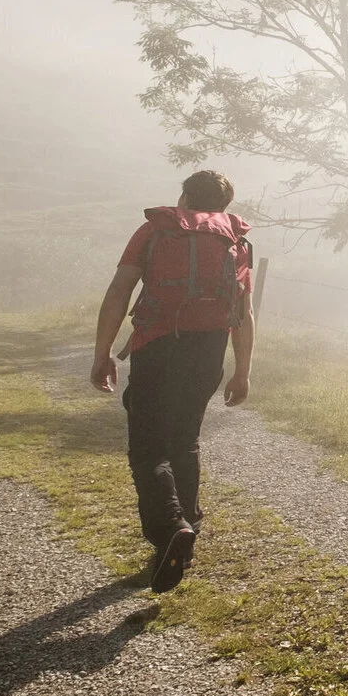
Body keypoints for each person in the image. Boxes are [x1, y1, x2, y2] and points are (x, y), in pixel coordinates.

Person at [90, 169, 254, 594]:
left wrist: (102, 352)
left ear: (183, 198)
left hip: (158, 347)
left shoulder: (155, 231)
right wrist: (242, 370)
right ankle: (187, 533)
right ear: (224, 206)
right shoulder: (233, 241)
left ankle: (170, 530)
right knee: (185, 441)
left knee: (148, 449)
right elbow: (245, 313)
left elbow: (119, 291)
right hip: (209, 350)